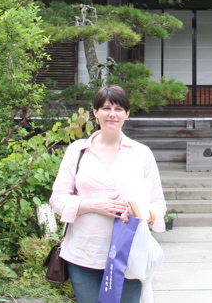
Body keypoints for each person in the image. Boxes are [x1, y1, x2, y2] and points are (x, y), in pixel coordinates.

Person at [50, 85, 166, 303]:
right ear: (95, 113)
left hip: (128, 255)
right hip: (84, 253)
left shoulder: (142, 154)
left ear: (127, 114)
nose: (112, 114)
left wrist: (141, 212)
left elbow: (158, 204)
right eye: (106, 108)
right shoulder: (77, 151)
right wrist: (93, 205)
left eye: (119, 108)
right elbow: (57, 198)